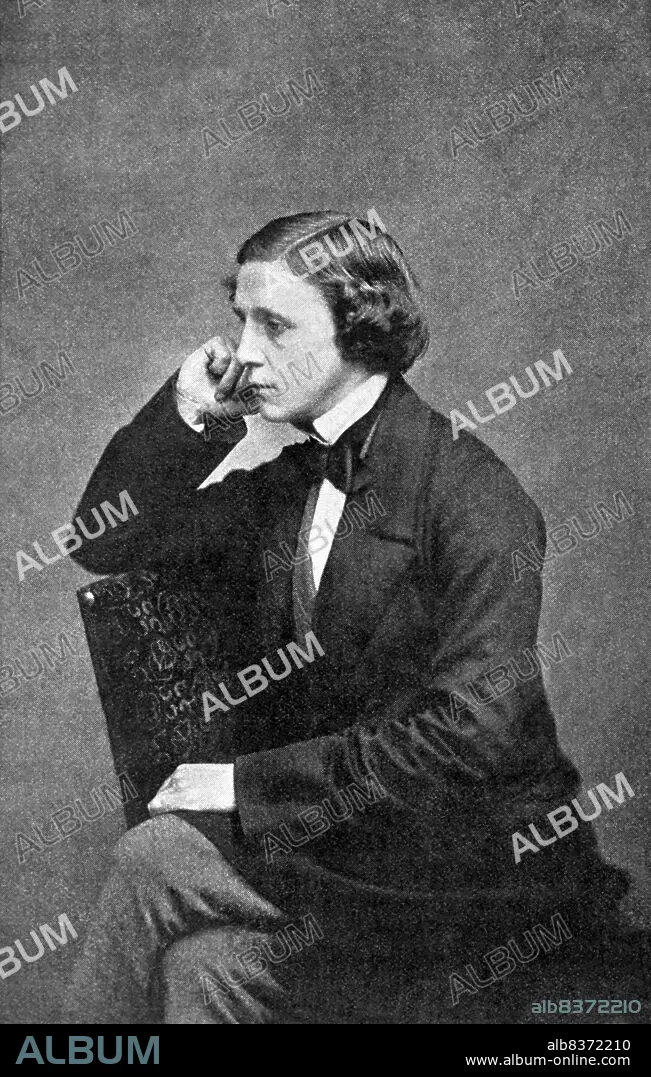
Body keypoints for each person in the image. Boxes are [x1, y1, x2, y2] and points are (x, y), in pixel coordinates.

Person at [64, 210, 628, 1024]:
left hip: (480, 876)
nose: (244, 351)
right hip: (352, 852)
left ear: (360, 328)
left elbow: (469, 738)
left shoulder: (472, 496)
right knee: (203, 966)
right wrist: (192, 412)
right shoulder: (295, 480)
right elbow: (106, 539)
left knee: (155, 855)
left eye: (275, 325)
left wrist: (242, 784)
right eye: (241, 321)